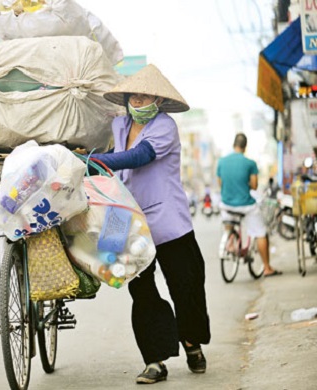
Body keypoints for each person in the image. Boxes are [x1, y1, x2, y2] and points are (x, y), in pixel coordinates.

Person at [88, 64, 211, 384]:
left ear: (158, 100)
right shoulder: (118, 125)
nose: (140, 102)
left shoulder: (165, 126)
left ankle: (191, 342)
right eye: (135, 97)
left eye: (147, 97)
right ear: (127, 99)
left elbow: (140, 156)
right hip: (124, 216)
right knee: (141, 290)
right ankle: (155, 360)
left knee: (186, 286)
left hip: (167, 218)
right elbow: (110, 154)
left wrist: (94, 161)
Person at [217, 133, 281, 278]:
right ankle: (266, 268)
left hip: (226, 204)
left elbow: (220, 184)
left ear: (234, 145)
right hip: (245, 205)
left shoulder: (221, 162)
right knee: (260, 233)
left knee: (229, 218)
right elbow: (254, 185)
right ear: (245, 146)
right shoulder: (250, 163)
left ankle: (230, 241)